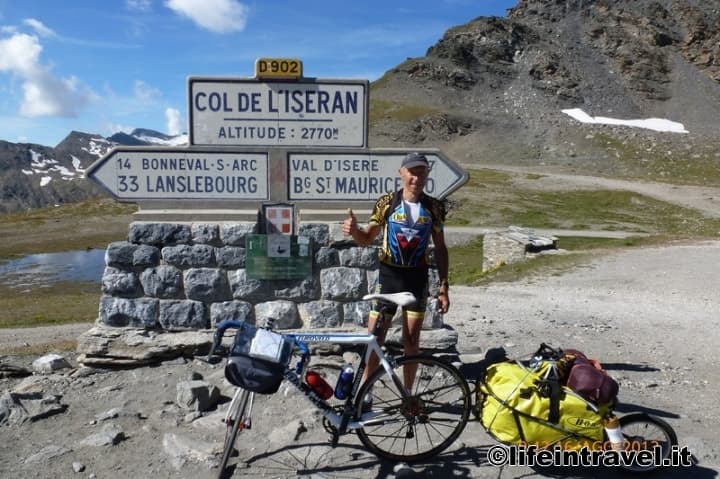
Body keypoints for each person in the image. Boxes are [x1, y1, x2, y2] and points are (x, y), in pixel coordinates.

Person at [342, 152, 450, 393]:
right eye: (412, 171)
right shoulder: (386, 202)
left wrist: (444, 287)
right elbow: (367, 238)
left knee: (412, 344)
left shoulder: (434, 207)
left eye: (421, 172)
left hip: (417, 280)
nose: (416, 177)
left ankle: (408, 395)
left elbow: (441, 249)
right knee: (375, 339)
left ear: (427, 174)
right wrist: (353, 231)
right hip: (388, 279)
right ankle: (365, 393)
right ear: (401, 173)